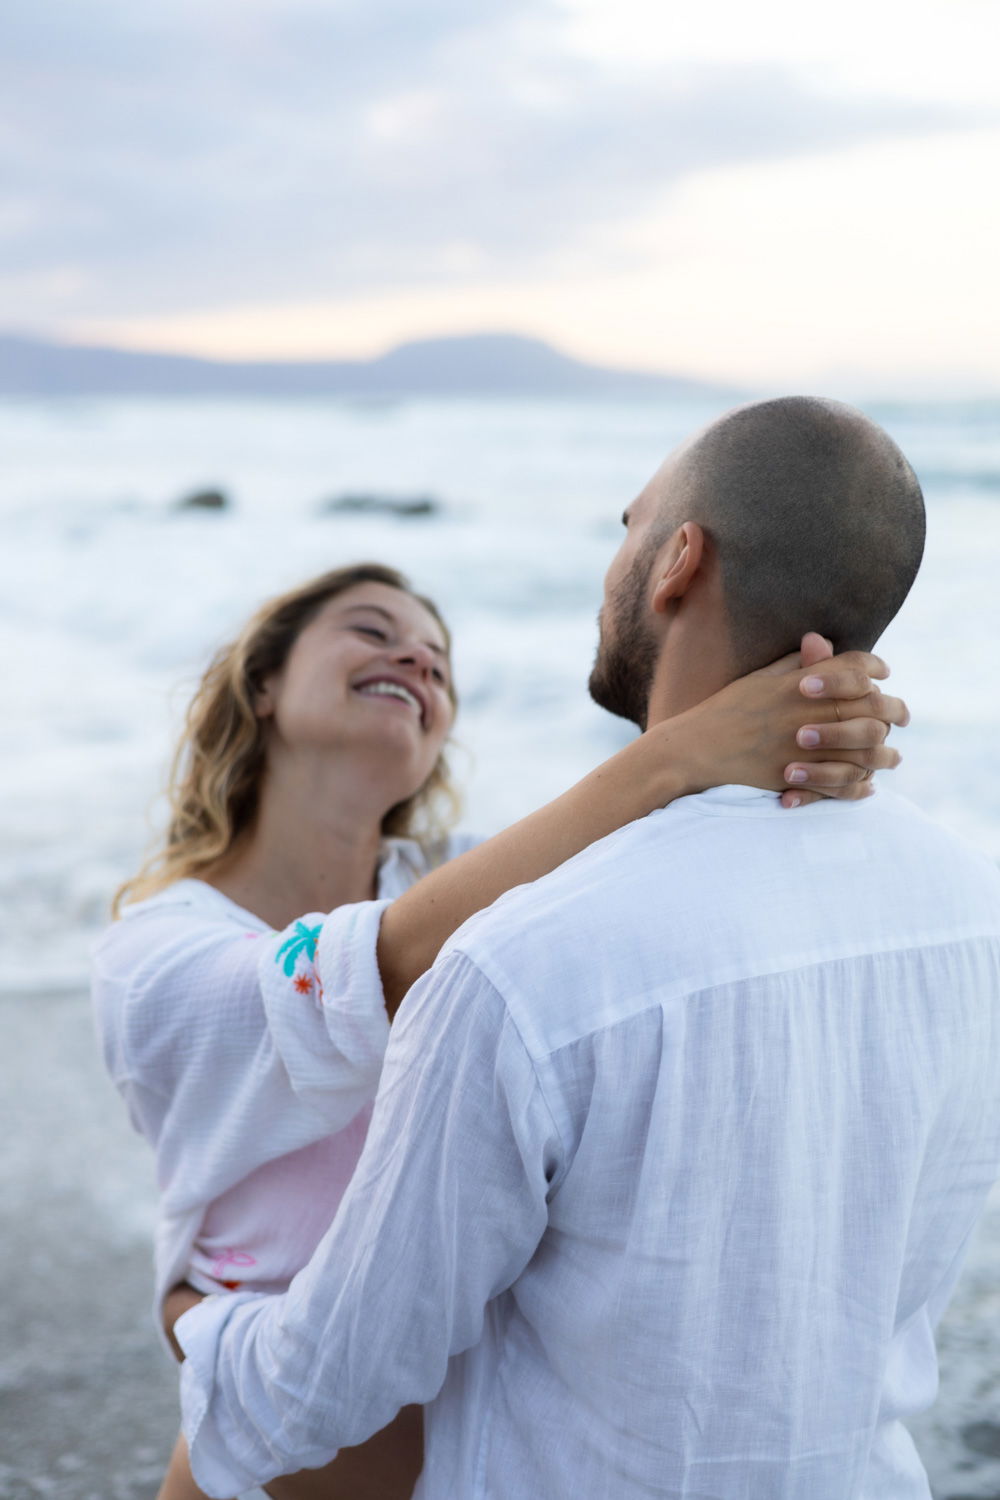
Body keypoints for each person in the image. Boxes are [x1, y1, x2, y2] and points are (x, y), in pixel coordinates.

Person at [171, 398, 1000, 1500]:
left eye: (628, 528)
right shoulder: (972, 911)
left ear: (679, 561)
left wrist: (202, 1323)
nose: (613, 565)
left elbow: (327, 1382)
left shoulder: (525, 965)